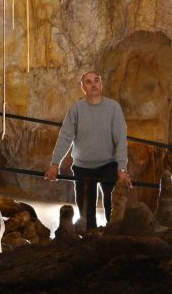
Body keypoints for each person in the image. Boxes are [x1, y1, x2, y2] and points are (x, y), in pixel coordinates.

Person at [45, 71, 130, 229]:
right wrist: (55, 163)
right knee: (86, 211)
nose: (93, 85)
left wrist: (122, 168)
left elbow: (120, 139)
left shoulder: (113, 108)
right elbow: (65, 137)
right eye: (88, 82)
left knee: (113, 206)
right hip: (83, 167)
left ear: (101, 84)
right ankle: (90, 239)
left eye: (96, 81)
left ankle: (113, 238)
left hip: (108, 165)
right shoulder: (76, 109)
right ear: (83, 87)